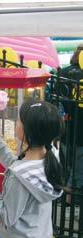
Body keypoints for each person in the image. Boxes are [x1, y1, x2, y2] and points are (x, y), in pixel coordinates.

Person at [0, 99, 65, 238]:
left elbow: (6, 215)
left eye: (19, 120)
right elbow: (18, 164)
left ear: (27, 131)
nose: (16, 123)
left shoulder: (19, 177)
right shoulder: (51, 154)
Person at [60, 44, 83, 188]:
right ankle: (75, 195)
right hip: (81, 130)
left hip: (66, 128)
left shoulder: (62, 73)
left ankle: (65, 193)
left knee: (66, 163)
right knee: (79, 167)